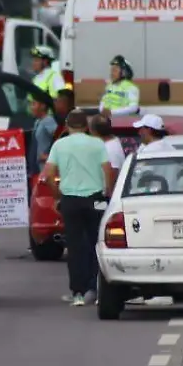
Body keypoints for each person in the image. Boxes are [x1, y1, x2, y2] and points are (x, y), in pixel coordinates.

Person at [40, 110, 113, 307]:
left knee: (74, 246)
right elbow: (107, 170)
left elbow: (48, 175)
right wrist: (107, 192)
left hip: (70, 199)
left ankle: (78, 292)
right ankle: (96, 288)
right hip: (96, 198)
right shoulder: (97, 144)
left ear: (67, 125)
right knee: (97, 242)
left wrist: (57, 196)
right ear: (87, 127)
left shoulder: (59, 145)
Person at [31, 97, 58, 167]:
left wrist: (48, 156)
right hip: (38, 165)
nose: (31, 107)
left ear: (43, 106)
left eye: (34, 104)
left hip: (46, 165)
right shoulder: (37, 121)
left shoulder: (48, 121)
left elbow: (60, 138)